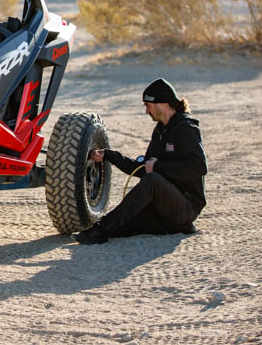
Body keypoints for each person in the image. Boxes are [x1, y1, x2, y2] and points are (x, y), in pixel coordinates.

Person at [76, 77, 207, 245]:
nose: (146, 111)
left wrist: (158, 167)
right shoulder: (160, 130)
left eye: (148, 105)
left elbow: (199, 167)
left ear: (162, 104)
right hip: (162, 205)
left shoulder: (186, 128)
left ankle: (99, 231)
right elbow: (143, 168)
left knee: (152, 180)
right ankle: (170, 226)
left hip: (186, 206)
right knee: (122, 227)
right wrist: (109, 156)